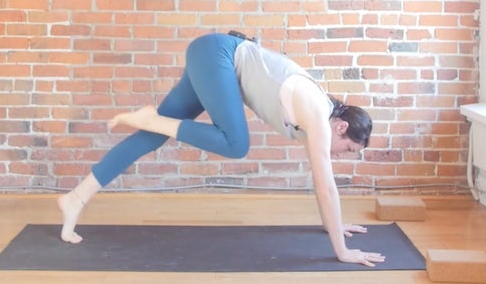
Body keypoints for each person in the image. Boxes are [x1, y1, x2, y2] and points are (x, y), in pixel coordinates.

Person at [57, 31, 385, 267]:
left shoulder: (319, 116)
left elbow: (321, 181)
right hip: (217, 55)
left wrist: (333, 225)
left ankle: (75, 199)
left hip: (213, 57)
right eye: (349, 148)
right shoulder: (317, 112)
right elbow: (327, 186)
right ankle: (150, 119)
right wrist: (341, 251)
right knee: (235, 143)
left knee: (151, 137)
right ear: (341, 127)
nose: (341, 154)